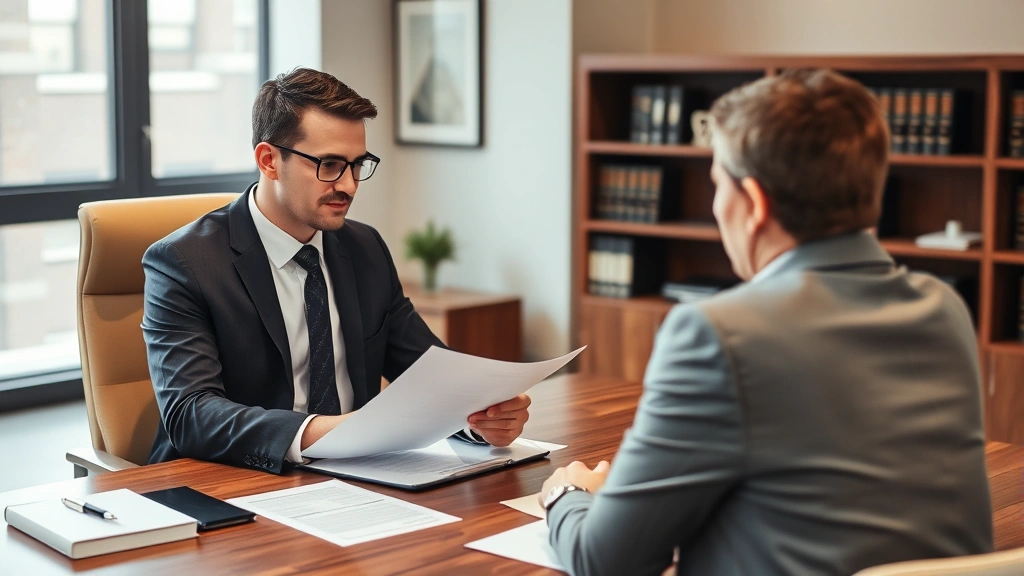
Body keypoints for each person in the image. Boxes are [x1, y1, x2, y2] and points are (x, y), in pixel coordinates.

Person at [539, 69, 992, 575]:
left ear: (754, 204)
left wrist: (567, 492)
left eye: (716, 185)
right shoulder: (944, 308)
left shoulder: (718, 333)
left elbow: (604, 561)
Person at [142, 68, 530, 474]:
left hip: (360, 475)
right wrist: (324, 433)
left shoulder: (364, 248)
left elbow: (428, 371)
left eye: (357, 165)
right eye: (329, 165)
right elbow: (190, 414)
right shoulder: (185, 263)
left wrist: (482, 415)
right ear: (269, 160)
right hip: (235, 479)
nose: (348, 185)